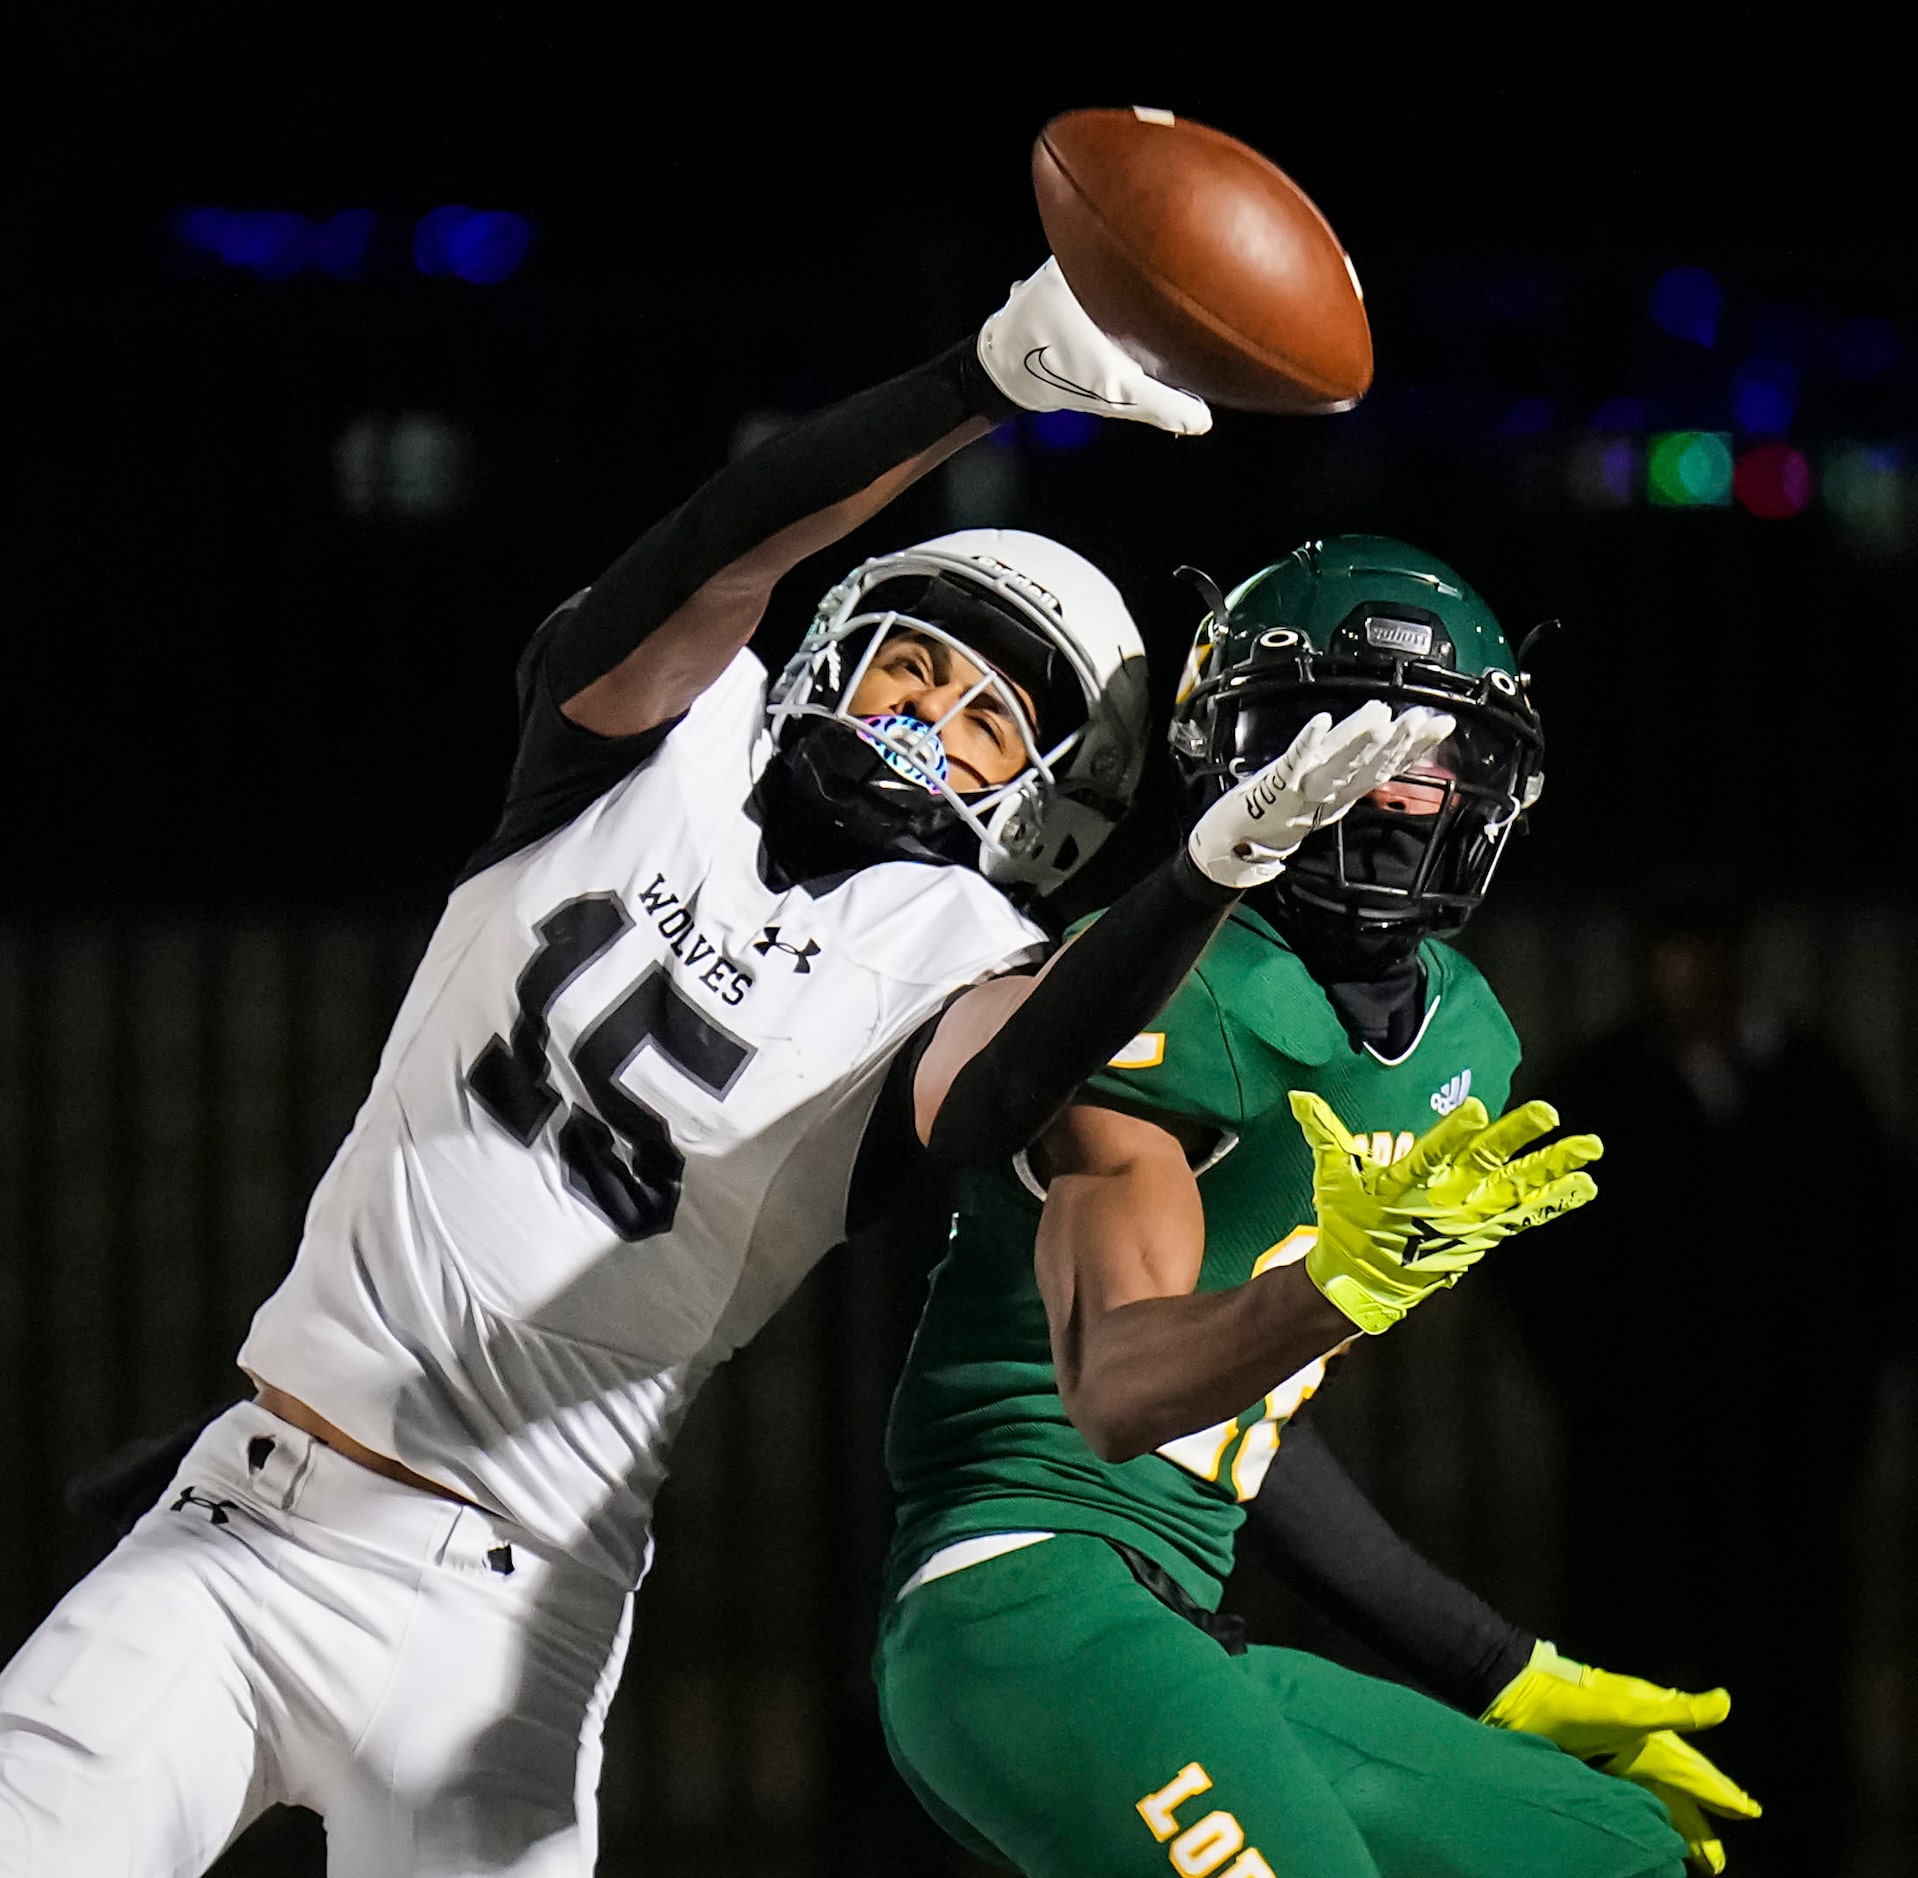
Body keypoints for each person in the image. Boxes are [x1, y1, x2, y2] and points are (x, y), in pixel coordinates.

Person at [0, 255, 1450, 1876]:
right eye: (918, 654)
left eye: (992, 712)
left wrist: (1206, 870)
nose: (932, 704)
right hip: (250, 1518)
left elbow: (1014, 1076)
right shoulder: (645, 751)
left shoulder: (955, 953)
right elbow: (712, 550)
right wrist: (974, 375)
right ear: (837, 638)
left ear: (1045, 804)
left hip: (504, 1619)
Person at [875, 536, 1762, 1878]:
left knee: (1617, 1852)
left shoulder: (1464, 1035)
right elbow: (1117, 1382)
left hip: (1168, 1619)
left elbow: (1244, 1429)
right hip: (1020, 1603)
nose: (1394, 791)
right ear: (1237, 758)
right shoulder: (1161, 990)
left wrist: (1498, 1667)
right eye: (1342, 742)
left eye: (1429, 749)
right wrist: (1332, 1289)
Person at [1502, 891, 1900, 1877]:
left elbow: (1880, 1254)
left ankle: (1789, 1847)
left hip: (1783, 1461)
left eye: (1701, 954)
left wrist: (1832, 1407)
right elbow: (1528, 1255)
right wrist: (1593, 1387)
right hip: (1636, 1455)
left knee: (1783, 1682)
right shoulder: (1600, 1088)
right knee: (1622, 1667)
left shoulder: (1808, 1088)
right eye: (1666, 954)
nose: (1683, 978)